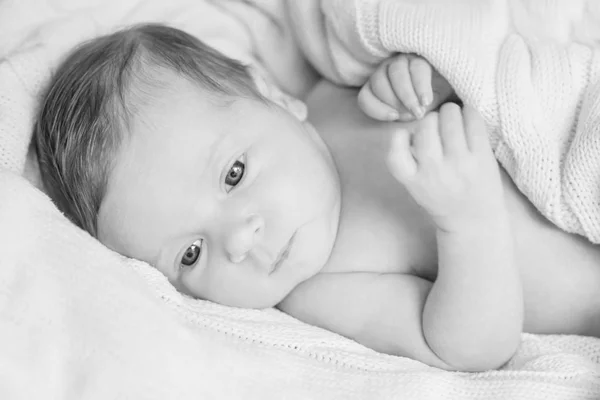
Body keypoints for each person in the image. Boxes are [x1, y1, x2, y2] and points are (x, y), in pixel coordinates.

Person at [35, 24, 600, 372]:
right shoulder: (322, 286)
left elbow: (474, 81)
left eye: (234, 173)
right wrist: (469, 223)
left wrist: (425, 75)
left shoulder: (341, 92)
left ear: (272, 95)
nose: (238, 240)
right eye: (190, 254)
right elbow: (469, 349)